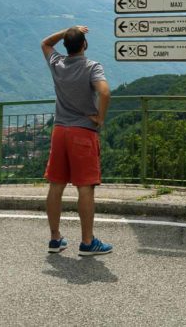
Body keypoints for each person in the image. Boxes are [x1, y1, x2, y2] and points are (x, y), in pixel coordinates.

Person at [41, 25, 113, 256]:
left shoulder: (57, 64)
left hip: (60, 131)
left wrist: (67, 31)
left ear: (66, 46)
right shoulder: (92, 67)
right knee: (85, 187)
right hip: (83, 132)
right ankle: (87, 242)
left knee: (56, 186)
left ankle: (55, 238)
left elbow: (45, 43)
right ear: (85, 45)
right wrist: (99, 118)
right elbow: (104, 92)